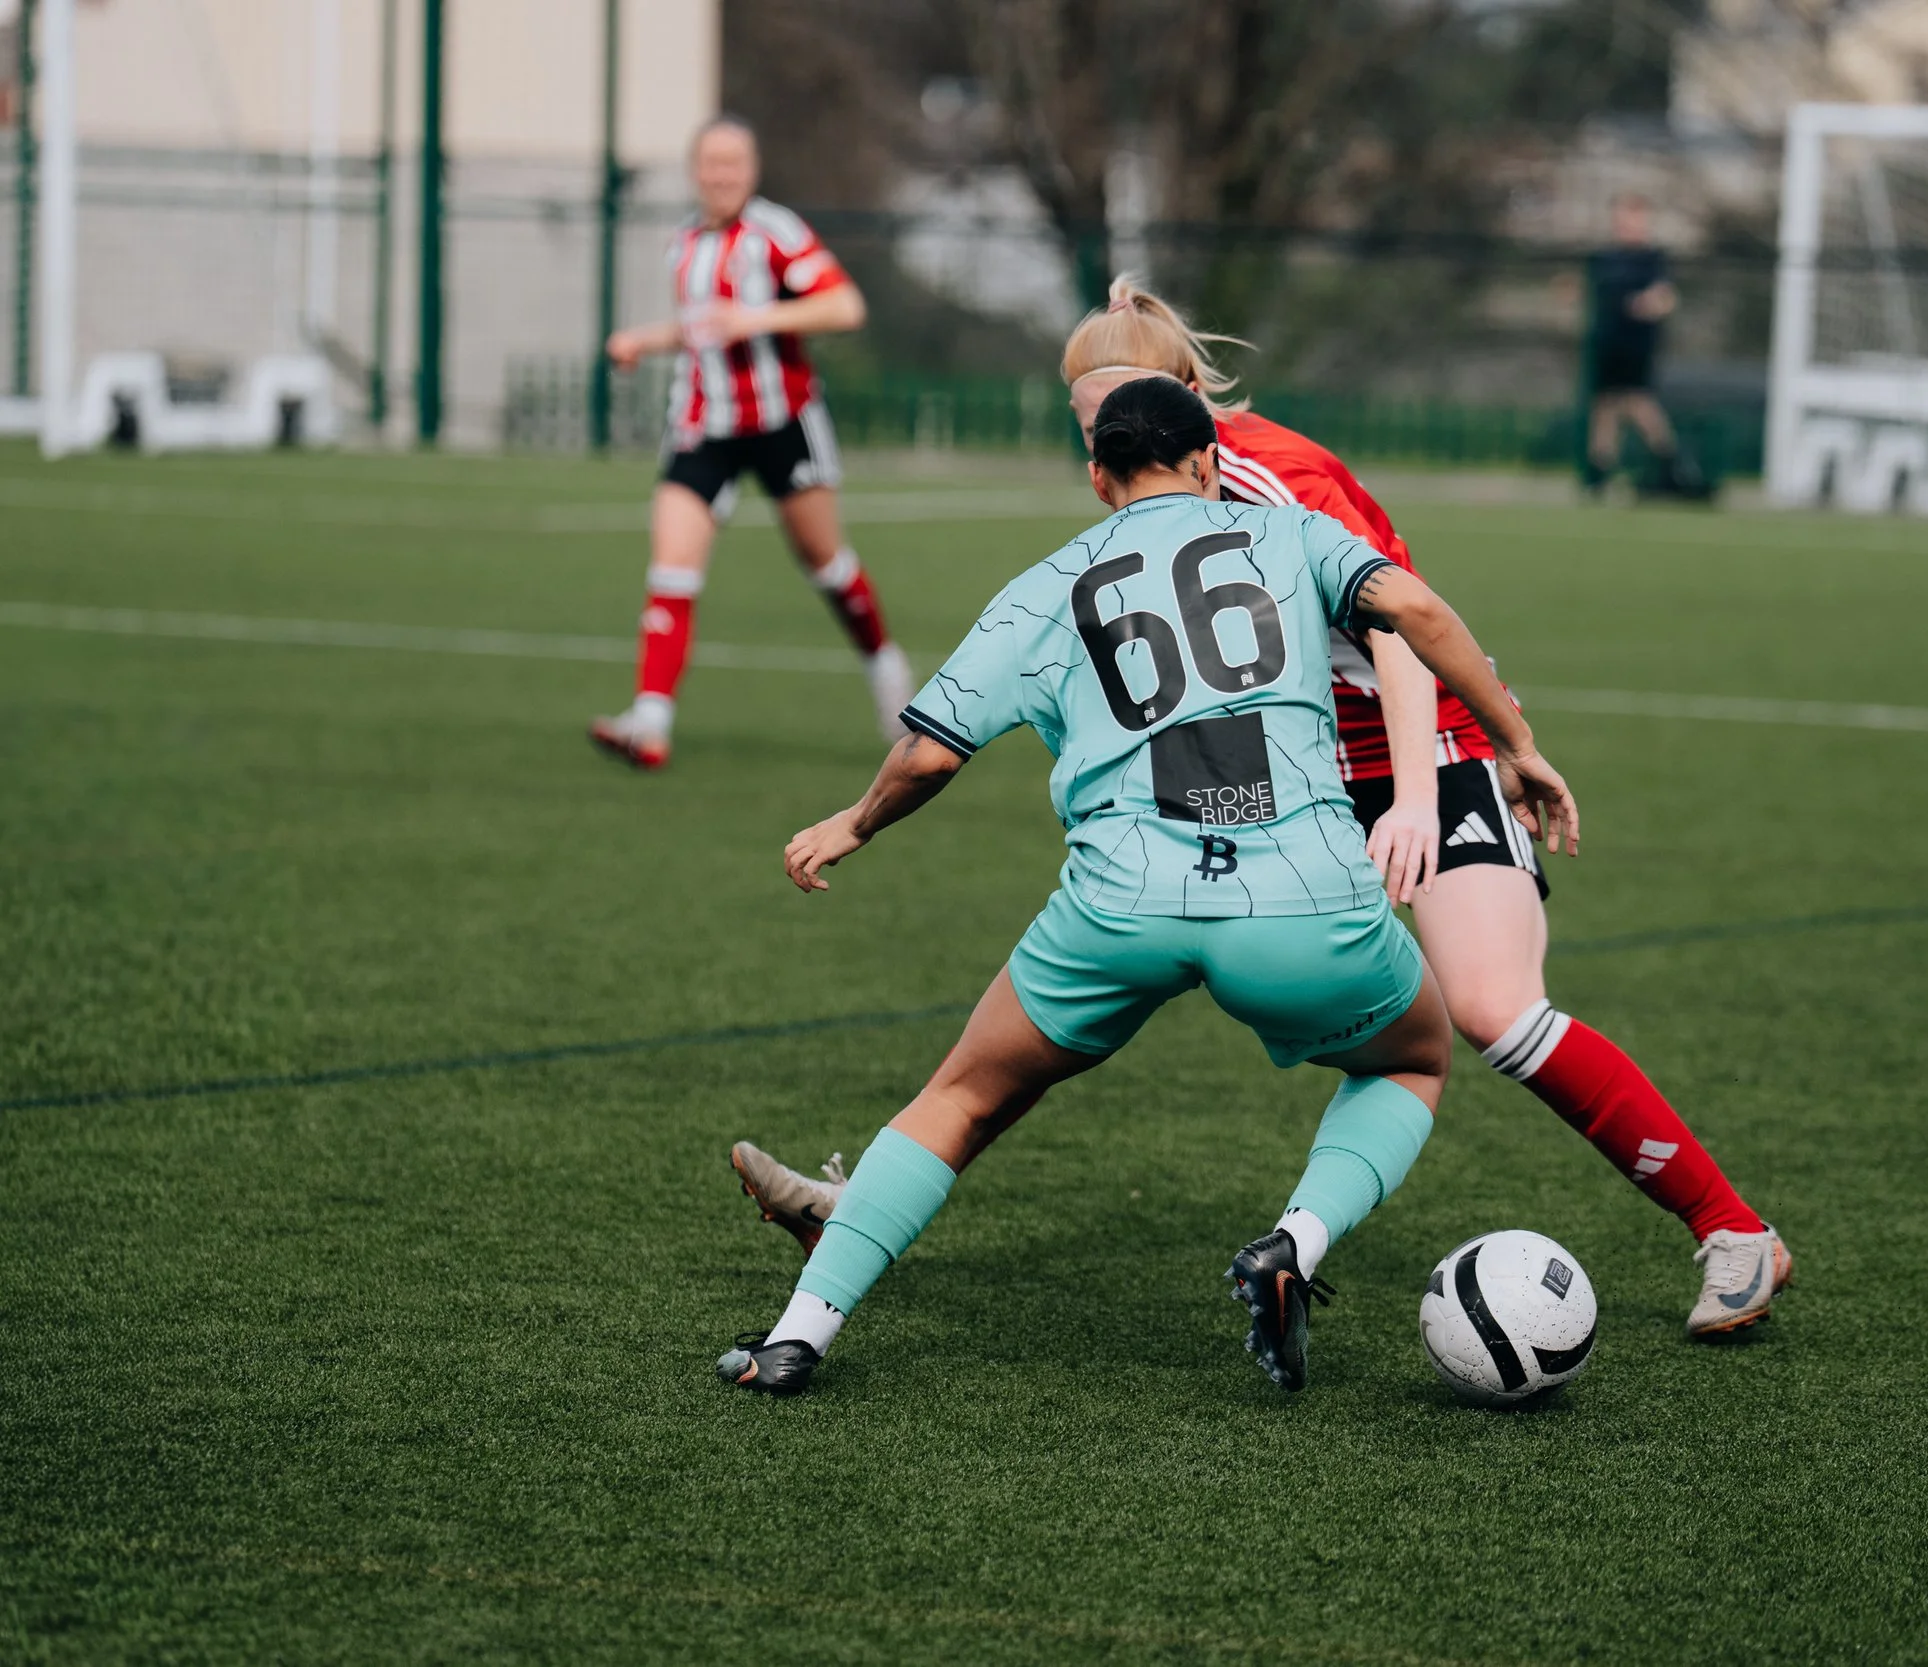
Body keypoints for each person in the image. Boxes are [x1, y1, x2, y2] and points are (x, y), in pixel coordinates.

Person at [733, 279, 1791, 1339]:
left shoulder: (1270, 474)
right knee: (1055, 1017)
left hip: (1421, 747)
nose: (1099, 436)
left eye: (1114, 408)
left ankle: (1730, 1228)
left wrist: (1433, 787)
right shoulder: (1164, 470)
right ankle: (866, 1202)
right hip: (1299, 770)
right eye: (1087, 417)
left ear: (1188, 399)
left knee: (1491, 1011)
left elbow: (1397, 631)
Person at [715, 375, 1579, 1397]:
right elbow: (1418, 611)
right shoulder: (1290, 533)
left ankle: (796, 1335)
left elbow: (929, 753)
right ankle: (1293, 1242)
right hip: (1302, 898)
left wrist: (852, 823)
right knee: (1413, 1060)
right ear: (1210, 460)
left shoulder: (1048, 581)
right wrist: (1515, 744)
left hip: (1121, 904)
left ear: (1098, 476)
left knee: (962, 1095)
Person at [589, 116, 913, 770]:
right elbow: (700, 328)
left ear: (752, 170)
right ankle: (650, 721)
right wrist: (642, 341)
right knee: (672, 566)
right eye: (711, 163)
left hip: (781, 423)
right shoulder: (683, 242)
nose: (722, 175)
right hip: (702, 426)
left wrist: (757, 317)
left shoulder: (777, 233)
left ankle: (884, 664)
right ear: (695, 170)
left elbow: (844, 307)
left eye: (733, 163)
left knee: (827, 564)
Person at [1581, 194, 1709, 501]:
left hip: (1636, 346)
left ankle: (1671, 464)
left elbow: (1665, 297)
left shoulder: (1653, 259)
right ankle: (1599, 473)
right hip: (1607, 343)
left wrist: (1651, 303)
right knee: (1605, 405)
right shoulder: (1605, 258)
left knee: (1638, 401)